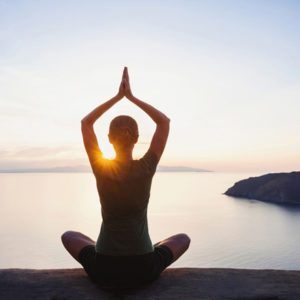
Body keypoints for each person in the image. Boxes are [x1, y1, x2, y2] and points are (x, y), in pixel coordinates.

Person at [61, 67, 190, 289]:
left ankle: (102, 248)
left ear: (109, 139)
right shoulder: (146, 167)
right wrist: (131, 97)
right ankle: (150, 247)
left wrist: (117, 97)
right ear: (137, 138)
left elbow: (86, 123)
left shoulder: (101, 168)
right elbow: (164, 122)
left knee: (69, 236)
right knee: (183, 238)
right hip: (143, 267)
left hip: (104, 268)